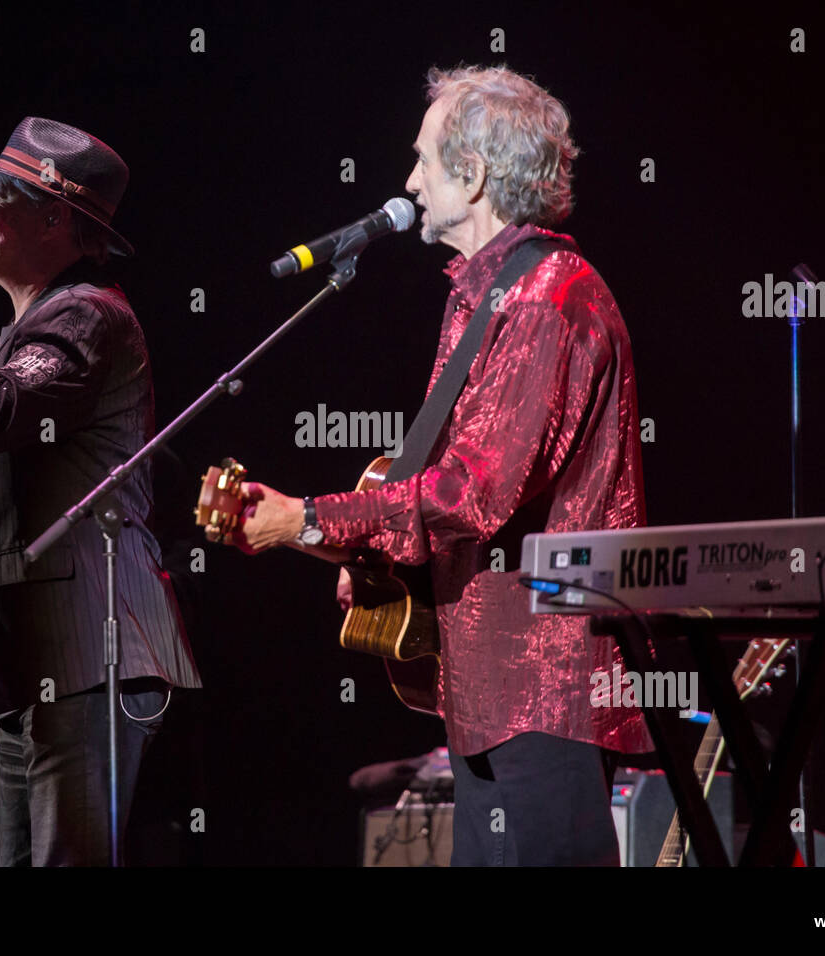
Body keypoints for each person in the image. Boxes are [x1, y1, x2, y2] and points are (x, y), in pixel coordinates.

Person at [234, 66, 652, 865]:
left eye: (424, 160)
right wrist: (370, 554)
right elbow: (460, 487)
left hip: (545, 677)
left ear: (476, 172)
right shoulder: (489, 292)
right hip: (491, 682)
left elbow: (475, 493)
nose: (408, 181)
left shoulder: (544, 299)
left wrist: (310, 516)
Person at [0, 117, 201, 866]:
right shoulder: (33, 330)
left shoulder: (88, 314)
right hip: (37, 662)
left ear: (55, 217)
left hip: (92, 652)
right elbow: (30, 481)